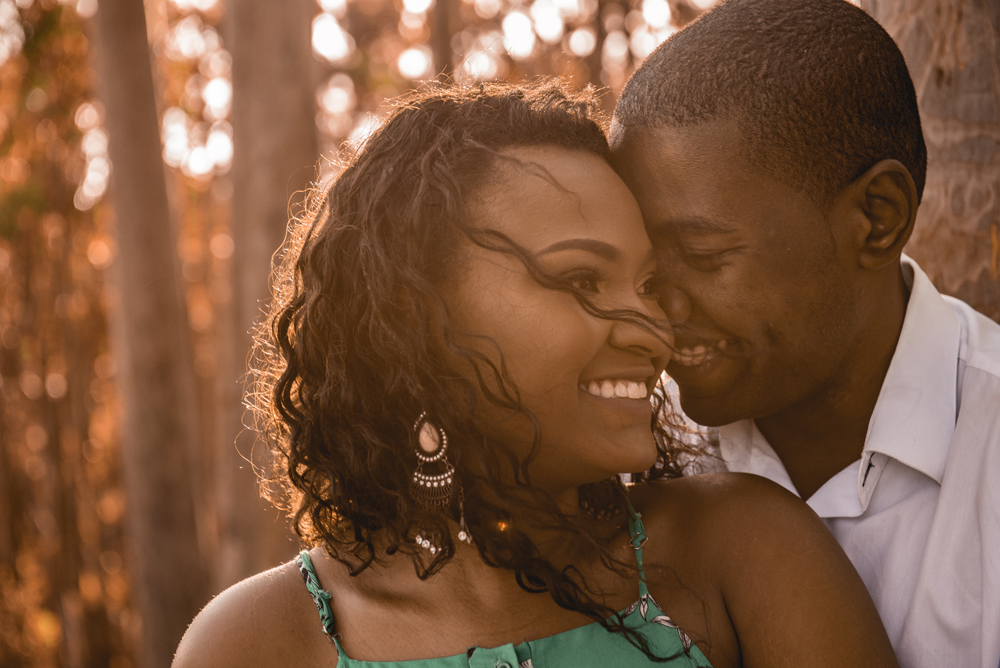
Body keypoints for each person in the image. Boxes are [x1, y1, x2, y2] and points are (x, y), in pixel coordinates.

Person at [172, 82, 896, 668]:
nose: (652, 331)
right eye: (582, 280)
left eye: (647, 286)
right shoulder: (256, 643)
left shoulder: (744, 552)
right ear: (416, 320)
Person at [609, 1, 1000, 667]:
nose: (657, 310)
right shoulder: (631, 449)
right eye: (646, 265)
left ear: (877, 218)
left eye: (703, 256)